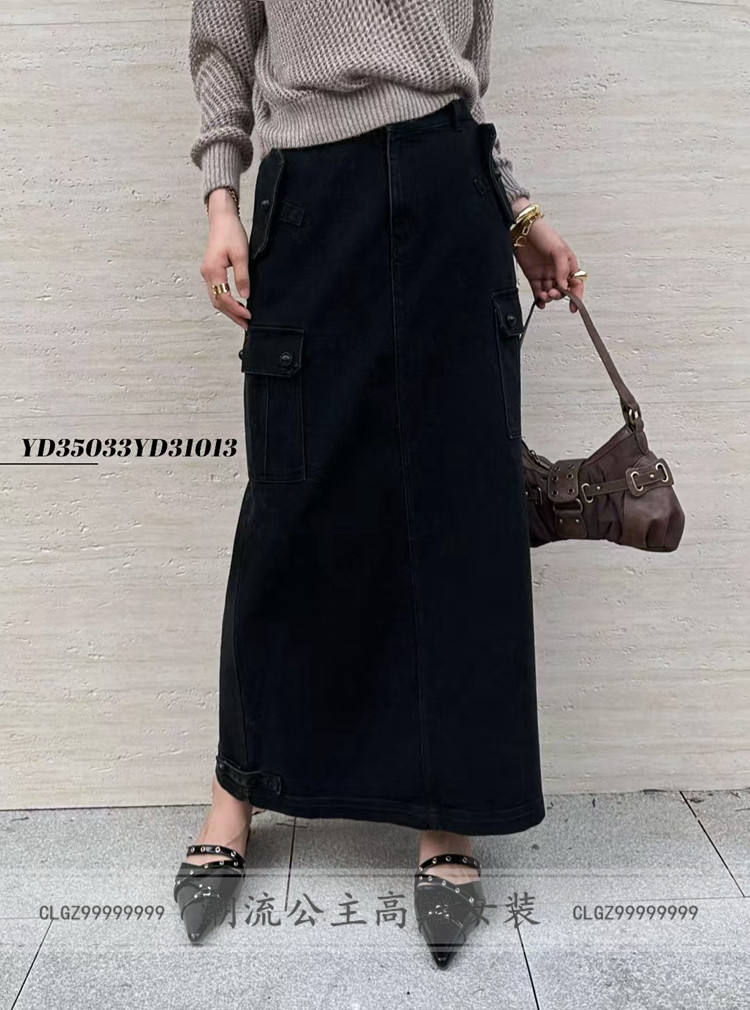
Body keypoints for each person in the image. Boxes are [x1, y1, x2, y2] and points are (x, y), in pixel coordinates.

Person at [173, 0, 586, 968]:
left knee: (457, 516)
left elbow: (462, 82)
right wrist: (222, 203)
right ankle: (237, 789)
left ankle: (447, 813)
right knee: (289, 505)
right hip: (310, 202)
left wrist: (521, 212)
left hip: (453, 204)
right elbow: (221, 46)